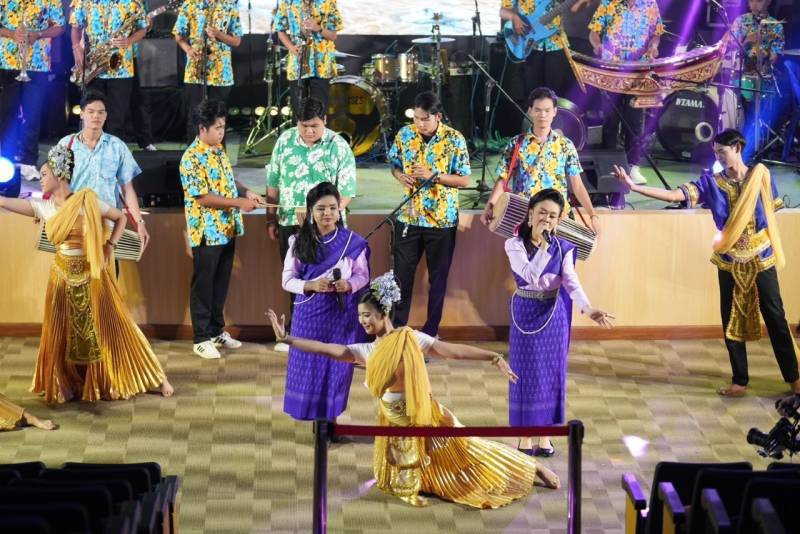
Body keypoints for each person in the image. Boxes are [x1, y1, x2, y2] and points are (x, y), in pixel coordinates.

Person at [267, 272, 561, 508]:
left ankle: (530, 466)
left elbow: (453, 351)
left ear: (384, 312)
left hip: (425, 416)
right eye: (360, 316)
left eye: (367, 315)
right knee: (407, 483)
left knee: (470, 454)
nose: (362, 321)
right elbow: (326, 349)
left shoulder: (411, 338)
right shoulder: (367, 350)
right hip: (395, 426)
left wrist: (493, 357)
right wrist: (288, 339)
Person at [614, 129, 800, 397]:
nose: (718, 158)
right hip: (728, 259)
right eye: (715, 153)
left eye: (722, 152)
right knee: (730, 316)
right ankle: (740, 380)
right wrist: (634, 187)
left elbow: (770, 213)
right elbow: (676, 195)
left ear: (737, 148)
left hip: (761, 255)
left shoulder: (761, 176)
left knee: (775, 317)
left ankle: (794, 379)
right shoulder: (711, 183)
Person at [0, 144, 173, 403]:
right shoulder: (45, 207)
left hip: (92, 276)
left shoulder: (87, 201)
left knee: (114, 327)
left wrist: (109, 245)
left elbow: (120, 218)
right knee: (60, 332)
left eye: (44, 174)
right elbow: (4, 201)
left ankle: (156, 376)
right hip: (61, 277)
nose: (41, 179)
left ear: (60, 174)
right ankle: (66, 381)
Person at [506, 188, 613, 456]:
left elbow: (571, 282)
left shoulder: (565, 248)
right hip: (525, 312)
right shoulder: (514, 244)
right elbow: (530, 275)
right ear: (530, 214)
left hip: (554, 316)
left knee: (551, 375)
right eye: (542, 213)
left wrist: (589, 309)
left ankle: (545, 436)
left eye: (553, 216)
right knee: (524, 374)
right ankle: (524, 437)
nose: (547, 219)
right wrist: (543, 247)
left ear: (559, 220)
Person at [266, 97, 356, 350]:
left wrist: (322, 215)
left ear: (324, 121)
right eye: (303, 126)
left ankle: (327, 335)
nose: (308, 131)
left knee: (327, 279)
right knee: (295, 279)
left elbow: (346, 193)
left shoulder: (338, 146)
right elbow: (273, 182)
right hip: (290, 222)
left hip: (327, 227)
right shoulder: (284, 141)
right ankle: (296, 333)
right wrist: (270, 218)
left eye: (314, 126)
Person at [180, 99, 264, 359]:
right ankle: (201, 338)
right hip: (207, 231)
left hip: (227, 228)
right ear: (202, 128)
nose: (221, 132)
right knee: (204, 285)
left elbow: (227, 179)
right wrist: (239, 203)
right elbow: (203, 197)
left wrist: (246, 191)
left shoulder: (218, 149)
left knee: (220, 283)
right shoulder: (191, 158)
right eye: (217, 128)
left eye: (223, 127)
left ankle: (216, 331)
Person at [281, 181, 369, 421]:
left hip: (340, 315)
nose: (327, 213)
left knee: (336, 368)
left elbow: (363, 276)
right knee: (308, 367)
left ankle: (331, 421)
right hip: (309, 316)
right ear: (311, 211)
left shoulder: (353, 242)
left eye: (332, 208)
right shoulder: (298, 241)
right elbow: (287, 280)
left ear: (340, 210)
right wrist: (310, 285)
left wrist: (349, 285)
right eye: (321, 209)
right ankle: (314, 421)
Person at [388, 91, 470, 338]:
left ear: (438, 117)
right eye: (416, 118)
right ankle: (396, 332)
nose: (420, 124)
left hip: (441, 220)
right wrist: (400, 175)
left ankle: (430, 333)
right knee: (401, 277)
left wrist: (433, 176)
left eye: (425, 119)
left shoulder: (454, 139)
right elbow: (394, 163)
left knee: (438, 280)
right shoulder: (405, 134)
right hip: (409, 216)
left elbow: (464, 179)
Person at [482, 87, 601, 236]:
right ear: (530, 111)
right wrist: (490, 205)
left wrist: (593, 215)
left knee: (558, 252)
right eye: (537, 110)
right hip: (525, 217)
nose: (542, 115)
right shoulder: (516, 143)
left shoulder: (565, 145)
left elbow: (577, 186)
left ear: (555, 112)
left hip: (558, 219)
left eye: (547, 110)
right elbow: (503, 179)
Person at [58, 91, 151, 250]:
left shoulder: (117, 146)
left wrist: (139, 223)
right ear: (82, 114)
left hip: (108, 228)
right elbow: (56, 187)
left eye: (101, 112)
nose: (96, 116)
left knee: (108, 265)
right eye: (91, 112)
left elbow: (127, 189)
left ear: (106, 115)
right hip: (74, 224)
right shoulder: (65, 145)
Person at [588, 0, 664, 185]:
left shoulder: (649, 4)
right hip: (612, 69)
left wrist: (653, 46)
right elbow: (593, 32)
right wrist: (597, 45)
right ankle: (609, 165)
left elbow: (657, 33)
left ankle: (633, 166)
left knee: (636, 120)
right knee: (611, 119)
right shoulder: (608, 3)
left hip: (638, 70)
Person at [0, 0, 65, 181]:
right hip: (7, 61)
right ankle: (5, 160)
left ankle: (28, 162)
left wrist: (39, 34)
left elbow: (60, 27)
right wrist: (11, 33)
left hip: (38, 63)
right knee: (6, 114)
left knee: (33, 114)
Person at [70, 0, 149, 139]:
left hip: (122, 69)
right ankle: (90, 150)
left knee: (116, 121)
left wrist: (129, 40)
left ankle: (112, 152)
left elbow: (143, 28)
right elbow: (75, 28)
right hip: (93, 67)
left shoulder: (132, 2)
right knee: (90, 119)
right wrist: (77, 49)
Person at [173, 0, 243, 143]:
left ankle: (218, 155)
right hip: (195, 70)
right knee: (195, 117)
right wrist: (188, 49)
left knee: (218, 119)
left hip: (221, 72)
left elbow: (236, 41)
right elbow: (179, 36)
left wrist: (218, 34)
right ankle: (194, 155)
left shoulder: (229, 5)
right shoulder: (190, 4)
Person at [729, 0, 785, 159]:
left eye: (758, 0)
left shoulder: (776, 26)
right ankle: (735, 139)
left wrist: (766, 61)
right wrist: (747, 40)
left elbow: (776, 54)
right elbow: (731, 47)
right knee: (738, 105)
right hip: (740, 73)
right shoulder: (741, 21)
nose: (753, 3)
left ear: (768, 2)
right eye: (752, 0)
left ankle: (753, 145)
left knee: (755, 106)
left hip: (762, 75)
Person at [499, 0, 586, 98]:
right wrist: (513, 17)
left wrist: (582, 2)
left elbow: (574, 8)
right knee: (532, 93)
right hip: (529, 45)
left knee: (556, 94)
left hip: (557, 44)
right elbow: (503, 11)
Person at [274, 0, 343, 114]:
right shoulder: (288, 2)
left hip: (322, 66)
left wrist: (318, 28)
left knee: (319, 113)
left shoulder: (329, 2)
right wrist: (292, 48)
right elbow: (280, 30)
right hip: (298, 64)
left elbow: (333, 36)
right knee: (299, 113)